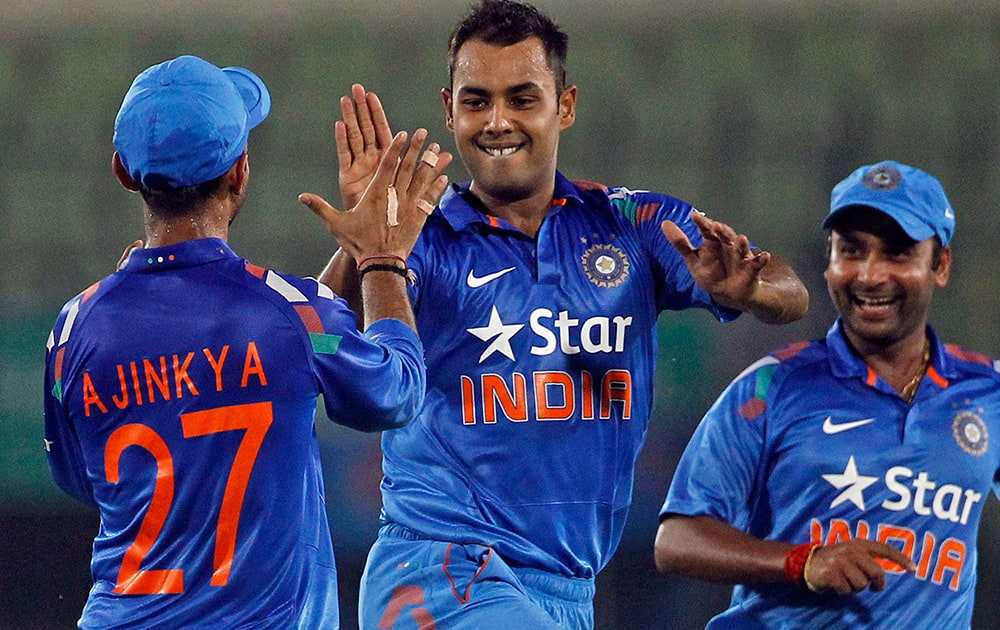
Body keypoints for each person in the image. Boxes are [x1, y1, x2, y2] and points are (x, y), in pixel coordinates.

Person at [318, 1, 808, 627]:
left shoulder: (632, 225)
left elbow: (791, 293)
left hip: (568, 590)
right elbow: (318, 348)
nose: (497, 121)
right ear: (450, 109)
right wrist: (363, 244)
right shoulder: (424, 236)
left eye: (522, 98)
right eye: (477, 102)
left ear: (565, 106)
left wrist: (749, 289)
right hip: (441, 572)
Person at [42, 54, 451, 629]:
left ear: (123, 171)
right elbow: (394, 390)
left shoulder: (73, 329)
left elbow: (82, 478)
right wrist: (382, 258)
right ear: (240, 172)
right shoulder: (285, 314)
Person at [655, 160, 1000, 628]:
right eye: (851, 251)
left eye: (898, 253)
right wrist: (803, 562)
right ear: (830, 261)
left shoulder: (987, 391)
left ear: (940, 266)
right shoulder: (771, 386)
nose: (870, 275)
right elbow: (677, 542)